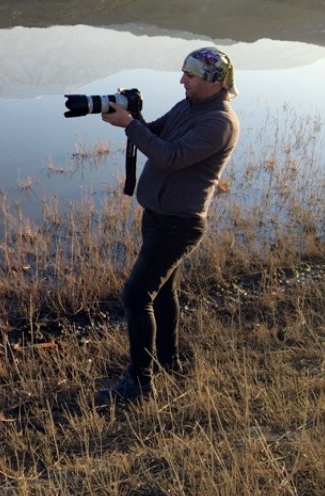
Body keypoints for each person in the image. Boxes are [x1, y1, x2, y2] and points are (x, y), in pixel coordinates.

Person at [95, 46, 240, 404]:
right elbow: (155, 133)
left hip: (180, 224)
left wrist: (130, 126)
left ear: (214, 82)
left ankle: (140, 382)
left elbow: (170, 157)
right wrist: (127, 114)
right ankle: (167, 361)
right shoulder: (188, 106)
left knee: (136, 294)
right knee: (162, 293)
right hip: (159, 217)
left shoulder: (219, 122)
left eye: (189, 76)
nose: (182, 81)